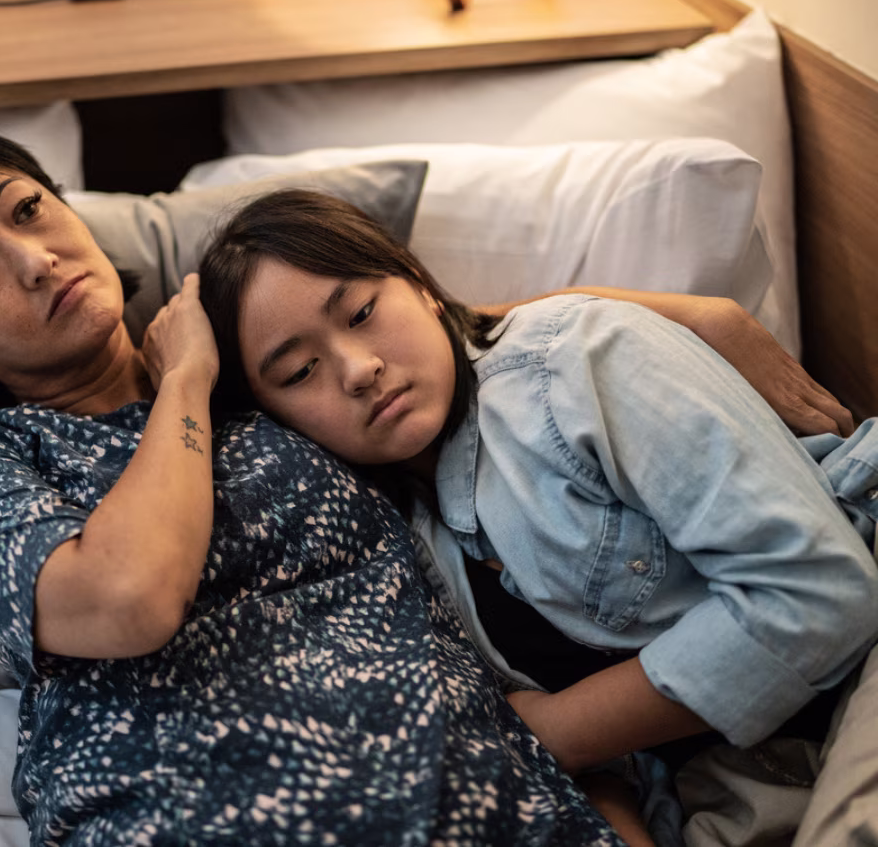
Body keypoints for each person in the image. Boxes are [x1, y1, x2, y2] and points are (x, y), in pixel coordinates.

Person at [0, 129, 856, 847]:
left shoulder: (284, 383)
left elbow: (399, 331)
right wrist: (180, 377)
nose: (36, 258)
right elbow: (126, 601)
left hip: (495, 790)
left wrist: (689, 316)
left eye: (28, 210)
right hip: (201, 811)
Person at [197, 187, 878, 843]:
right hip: (736, 785)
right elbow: (611, 752)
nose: (357, 368)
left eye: (361, 314)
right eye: (298, 372)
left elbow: (821, 595)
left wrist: (555, 729)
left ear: (421, 286)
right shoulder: (386, 540)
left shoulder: (576, 363)